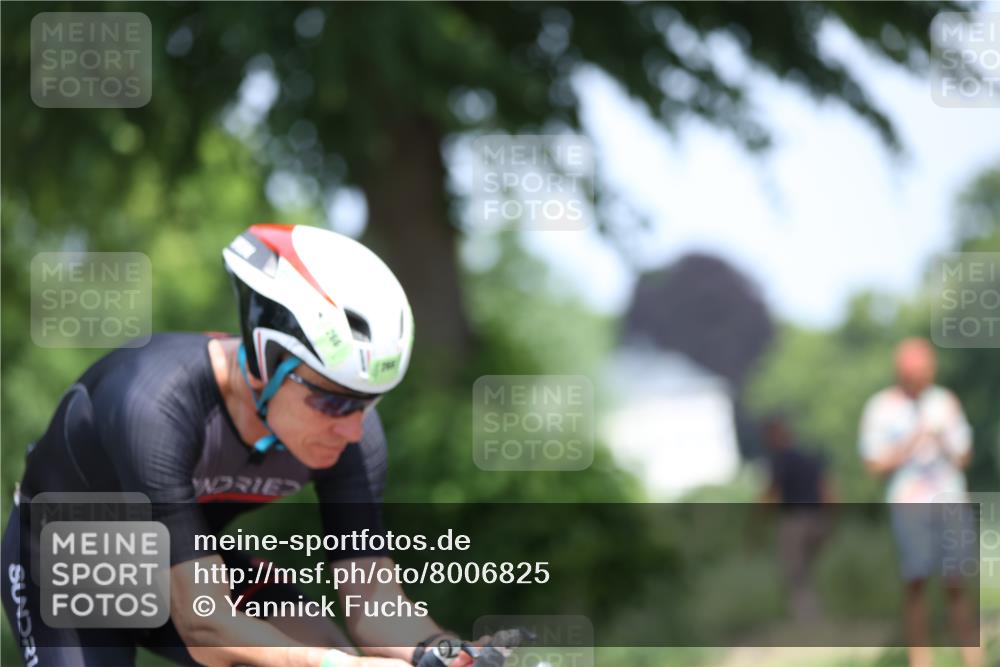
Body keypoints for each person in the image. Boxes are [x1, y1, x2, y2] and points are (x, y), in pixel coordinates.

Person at [2, 224, 480, 667]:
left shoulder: (351, 432)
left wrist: (441, 652)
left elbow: (372, 602)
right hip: (71, 559)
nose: (353, 430)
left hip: (186, 562)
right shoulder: (156, 404)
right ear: (265, 363)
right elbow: (204, 625)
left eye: (370, 402)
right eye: (332, 401)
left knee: (322, 647)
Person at [858, 337, 983, 667]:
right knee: (916, 580)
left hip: (950, 499)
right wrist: (912, 442)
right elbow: (873, 465)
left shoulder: (945, 401)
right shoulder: (881, 407)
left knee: (957, 579)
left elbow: (964, 456)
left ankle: (972, 656)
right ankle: (920, 660)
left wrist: (942, 439)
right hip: (909, 504)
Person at [758, 413, 834, 623]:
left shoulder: (779, 459)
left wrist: (757, 525)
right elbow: (829, 491)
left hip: (794, 521)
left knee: (796, 572)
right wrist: (830, 521)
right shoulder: (810, 456)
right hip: (819, 519)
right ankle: (816, 613)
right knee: (810, 568)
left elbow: (771, 493)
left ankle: (807, 618)